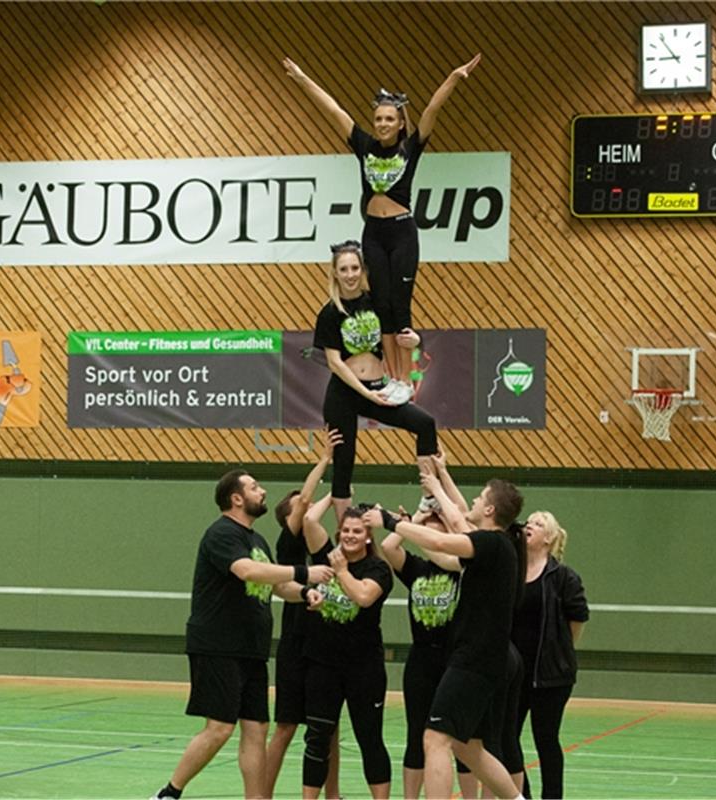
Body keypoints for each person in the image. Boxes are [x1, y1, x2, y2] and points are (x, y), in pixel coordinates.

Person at [284, 54, 481, 394]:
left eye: (390, 118)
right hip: (372, 232)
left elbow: (432, 112)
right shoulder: (364, 146)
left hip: (402, 232)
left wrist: (453, 77)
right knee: (381, 305)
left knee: (400, 305)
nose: (383, 124)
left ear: (400, 122)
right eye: (378, 118)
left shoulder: (410, 147)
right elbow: (335, 112)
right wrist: (302, 78)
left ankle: (407, 379)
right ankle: (393, 378)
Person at [151, 471, 333, 800]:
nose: (262, 492)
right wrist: (304, 571)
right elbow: (247, 571)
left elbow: (277, 584)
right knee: (220, 727)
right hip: (218, 645)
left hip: (251, 650)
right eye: (254, 488)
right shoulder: (222, 534)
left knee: (256, 729)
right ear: (236, 498)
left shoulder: (257, 540)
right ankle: (168, 793)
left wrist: (305, 592)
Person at [364, 478, 526, 800]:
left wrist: (391, 521)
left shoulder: (493, 544)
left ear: (491, 509)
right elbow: (440, 550)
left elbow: (444, 538)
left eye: (480, 498)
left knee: (434, 739)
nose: (473, 503)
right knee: (467, 747)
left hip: (475, 659)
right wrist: (426, 500)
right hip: (481, 659)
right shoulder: (493, 550)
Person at [312, 240, 438, 519]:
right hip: (344, 393)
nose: (350, 274)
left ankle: (430, 496)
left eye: (354, 267)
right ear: (335, 273)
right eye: (343, 269)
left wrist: (418, 341)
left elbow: (401, 336)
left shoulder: (377, 302)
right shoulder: (331, 312)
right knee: (343, 466)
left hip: (378, 388)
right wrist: (364, 393)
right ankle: (344, 533)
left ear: (363, 269)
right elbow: (335, 363)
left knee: (425, 424)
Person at [264, 433, 342, 800]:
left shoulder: (321, 543)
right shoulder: (287, 542)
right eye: (297, 508)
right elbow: (309, 501)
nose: (307, 510)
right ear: (289, 518)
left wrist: (342, 494)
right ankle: (261, 794)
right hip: (297, 642)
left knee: (328, 727)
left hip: (326, 641)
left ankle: (333, 794)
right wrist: (327, 461)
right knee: (285, 727)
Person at [299, 504, 394, 800]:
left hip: (363, 668)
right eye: (346, 531)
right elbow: (309, 519)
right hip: (322, 664)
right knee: (317, 738)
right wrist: (338, 490)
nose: (350, 536)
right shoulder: (326, 557)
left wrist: (341, 572)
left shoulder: (377, 568)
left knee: (370, 739)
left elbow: (364, 597)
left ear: (368, 536)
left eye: (358, 531)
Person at [379, 482, 461, 799]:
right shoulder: (416, 568)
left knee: (454, 738)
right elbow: (388, 548)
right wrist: (414, 518)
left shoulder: (461, 568)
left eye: (435, 526)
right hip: (422, 659)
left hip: (454, 660)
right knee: (416, 736)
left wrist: (441, 517)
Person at [512, 512, 589, 799]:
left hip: (551, 676)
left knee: (546, 740)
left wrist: (560, 652)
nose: (529, 525)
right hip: (513, 674)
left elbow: (577, 620)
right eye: (528, 521)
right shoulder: (512, 569)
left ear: (549, 538)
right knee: (507, 740)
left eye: (538, 524)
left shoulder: (564, 577)